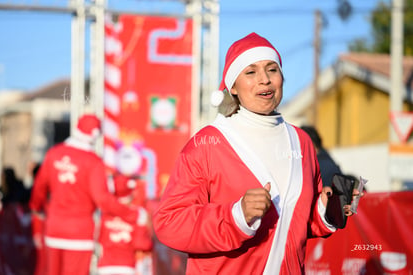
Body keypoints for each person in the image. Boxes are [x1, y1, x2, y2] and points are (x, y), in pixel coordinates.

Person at [153, 32, 358, 274]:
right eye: (250, 72)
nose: (265, 80)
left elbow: (297, 221)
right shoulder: (207, 144)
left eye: (272, 70)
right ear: (233, 87)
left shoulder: (301, 142)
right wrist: (235, 216)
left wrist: (328, 209)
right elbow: (169, 222)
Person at [29, 114, 147, 275]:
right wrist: (132, 214)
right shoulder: (93, 162)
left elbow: (39, 187)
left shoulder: (54, 153)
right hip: (80, 232)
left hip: (54, 227)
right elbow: (102, 199)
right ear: (95, 135)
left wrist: (37, 208)